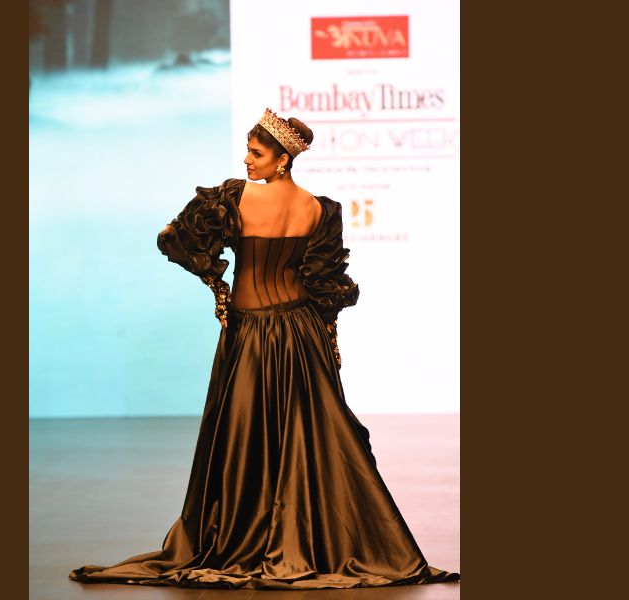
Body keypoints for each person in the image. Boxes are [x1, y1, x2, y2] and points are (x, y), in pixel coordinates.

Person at [69, 108, 460, 590]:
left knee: (243, 438)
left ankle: (245, 536)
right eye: (248, 152)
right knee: (305, 441)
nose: (247, 160)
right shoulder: (318, 209)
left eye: (256, 153)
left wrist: (218, 285)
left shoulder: (235, 197)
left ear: (282, 159)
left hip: (250, 334)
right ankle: (312, 540)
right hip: (300, 334)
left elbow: (175, 239)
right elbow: (325, 284)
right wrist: (324, 335)